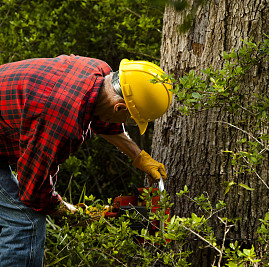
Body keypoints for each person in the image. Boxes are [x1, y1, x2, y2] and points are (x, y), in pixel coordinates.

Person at [0, 55, 173, 266]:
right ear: (119, 108)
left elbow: (103, 119)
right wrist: (76, 214)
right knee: (26, 219)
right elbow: (35, 193)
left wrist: (139, 157)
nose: (127, 123)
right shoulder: (61, 117)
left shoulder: (98, 72)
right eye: (130, 119)